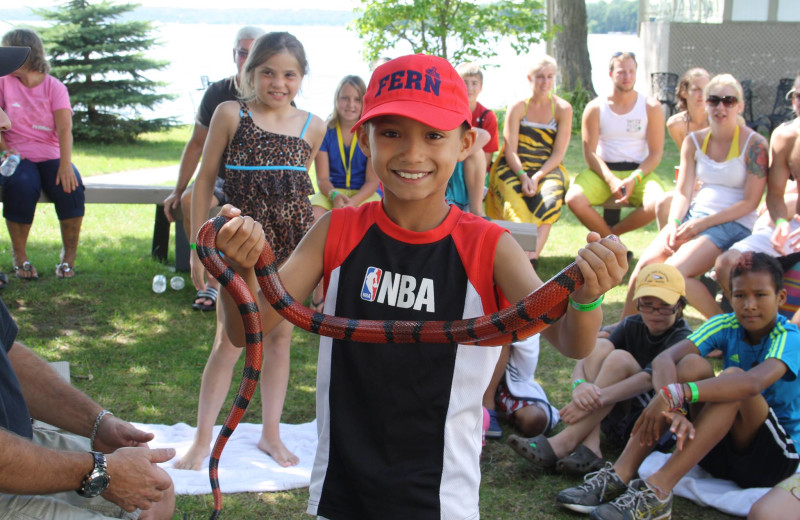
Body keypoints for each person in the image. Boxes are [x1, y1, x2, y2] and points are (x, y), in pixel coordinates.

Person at [210, 53, 628, 519]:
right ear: (364, 140)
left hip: (440, 495)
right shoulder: (337, 230)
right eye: (391, 133)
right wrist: (242, 270)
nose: (412, 153)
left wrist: (588, 295)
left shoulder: (490, 246)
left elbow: (569, 339)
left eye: (434, 135)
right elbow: (245, 330)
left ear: (466, 142)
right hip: (342, 489)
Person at [557, 252, 800, 520]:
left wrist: (680, 393)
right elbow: (665, 358)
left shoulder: (788, 337)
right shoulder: (725, 324)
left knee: (734, 380)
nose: (749, 305)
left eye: (760, 295)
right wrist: (671, 405)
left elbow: (752, 383)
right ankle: (619, 474)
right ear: (730, 298)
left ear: (780, 298)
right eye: (740, 295)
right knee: (690, 366)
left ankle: (657, 490)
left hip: (772, 460)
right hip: (717, 454)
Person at [179, 32, 326, 471]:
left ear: (301, 77)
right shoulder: (230, 113)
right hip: (238, 246)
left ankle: (271, 434)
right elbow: (204, 180)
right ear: (250, 73)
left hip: (289, 249)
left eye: (289, 74)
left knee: (279, 340)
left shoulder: (313, 125)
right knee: (229, 341)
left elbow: (300, 190)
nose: (278, 82)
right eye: (267, 72)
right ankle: (202, 440)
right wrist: (195, 248)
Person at [508, 263, 692, 476]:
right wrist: (580, 385)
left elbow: (647, 380)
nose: (655, 313)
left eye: (664, 306)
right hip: (614, 416)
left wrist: (596, 398)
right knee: (601, 344)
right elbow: (589, 352)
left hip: (648, 425)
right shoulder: (634, 324)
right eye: (647, 304)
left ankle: (564, 442)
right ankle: (590, 444)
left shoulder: (682, 337)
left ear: (680, 305)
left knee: (620, 358)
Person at [619, 74, 768, 321]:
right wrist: (673, 224)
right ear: (705, 103)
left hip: (733, 222)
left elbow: (750, 203)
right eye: (714, 100)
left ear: (739, 105)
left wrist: (702, 224)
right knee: (646, 266)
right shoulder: (694, 141)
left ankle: (723, 327)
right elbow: (683, 192)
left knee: (674, 272)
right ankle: (625, 328)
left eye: (729, 101)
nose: (721, 107)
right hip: (695, 215)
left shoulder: (755, 144)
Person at [163, 25, 264, 312]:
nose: (247, 59)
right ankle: (210, 279)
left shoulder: (274, 94)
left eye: (254, 53)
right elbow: (196, 144)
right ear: (234, 54)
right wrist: (177, 190)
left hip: (259, 182)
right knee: (186, 201)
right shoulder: (218, 92)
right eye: (242, 52)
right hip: (221, 178)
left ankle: (251, 280)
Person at [705, 72, 800, 316]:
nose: (799, 102)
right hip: (792, 231)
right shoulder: (785, 136)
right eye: (796, 96)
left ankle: (785, 340)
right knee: (727, 263)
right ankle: (748, 330)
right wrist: (780, 222)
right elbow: (775, 194)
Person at [0, 28, 85, 281]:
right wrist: (5, 150)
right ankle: (20, 257)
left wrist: (66, 165)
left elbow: (64, 129)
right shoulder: (3, 83)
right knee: (21, 185)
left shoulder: (54, 87)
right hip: (17, 156)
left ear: (24, 54)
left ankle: (68, 259)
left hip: (51, 155)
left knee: (71, 187)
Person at [565, 51, 665, 237]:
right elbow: (590, 154)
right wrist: (611, 180)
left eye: (631, 71)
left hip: (639, 173)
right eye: (621, 72)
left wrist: (634, 179)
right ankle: (612, 242)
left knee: (659, 203)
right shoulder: (595, 107)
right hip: (603, 172)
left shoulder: (651, 107)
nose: (627, 76)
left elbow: (656, 153)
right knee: (574, 199)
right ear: (611, 74)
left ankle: (612, 236)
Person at [485, 55, 573, 265]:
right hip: (514, 166)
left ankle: (530, 259)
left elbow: (558, 153)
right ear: (530, 78)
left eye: (550, 77)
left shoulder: (562, 109)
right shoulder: (517, 107)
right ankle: (518, 259)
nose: (545, 82)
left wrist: (538, 177)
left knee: (550, 199)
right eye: (540, 77)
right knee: (516, 203)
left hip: (547, 167)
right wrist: (524, 177)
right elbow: (510, 150)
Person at [308, 74, 380, 310]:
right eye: (344, 98)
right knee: (315, 217)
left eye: (357, 99)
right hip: (333, 192)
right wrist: (335, 197)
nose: (350, 105)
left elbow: (372, 181)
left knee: (375, 224)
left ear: (364, 102)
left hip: (363, 192)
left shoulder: (371, 131)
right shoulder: (326, 131)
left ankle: (363, 292)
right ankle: (319, 286)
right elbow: (323, 178)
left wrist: (353, 202)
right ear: (336, 100)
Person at [481, 335, 561, 441]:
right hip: (478, 370)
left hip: (513, 384)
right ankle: (488, 407)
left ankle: (497, 409)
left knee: (535, 420)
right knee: (501, 334)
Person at [455, 62, 499, 215]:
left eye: (474, 83)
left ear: (481, 87)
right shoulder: (450, 110)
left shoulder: (487, 116)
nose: (469, 88)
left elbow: (486, 158)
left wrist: (460, 156)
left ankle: (476, 211)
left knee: (479, 146)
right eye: (464, 83)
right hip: (448, 162)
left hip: (473, 167)